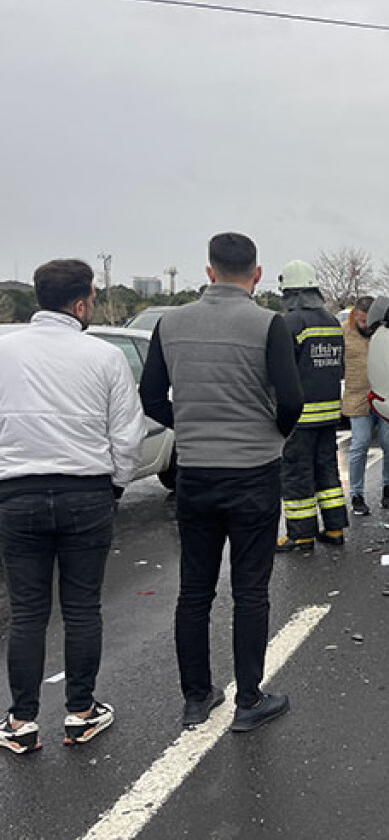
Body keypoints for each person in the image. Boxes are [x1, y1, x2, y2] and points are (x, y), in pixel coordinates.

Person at [140, 233, 303, 732]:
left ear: (209, 272)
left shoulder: (171, 323)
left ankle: (196, 698)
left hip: (196, 473)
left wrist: (188, 423)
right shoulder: (268, 324)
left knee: (195, 589)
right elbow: (291, 400)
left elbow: (150, 397)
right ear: (256, 275)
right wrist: (269, 434)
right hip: (254, 473)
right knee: (251, 589)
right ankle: (249, 700)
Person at [0, 260, 146, 755]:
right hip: (86, 492)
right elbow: (127, 432)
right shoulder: (104, 357)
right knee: (82, 608)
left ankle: (21, 721)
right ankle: (81, 712)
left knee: (27, 612)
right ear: (82, 303)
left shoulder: (2, 350)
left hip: (17, 494)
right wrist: (116, 486)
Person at [275, 260, 348, 552]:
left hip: (301, 416)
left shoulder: (290, 323)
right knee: (327, 471)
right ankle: (334, 529)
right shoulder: (332, 321)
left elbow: (281, 369)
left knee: (297, 474)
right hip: (329, 412)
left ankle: (301, 534)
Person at [343, 296, 389, 516]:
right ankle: (357, 494)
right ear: (354, 315)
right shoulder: (343, 333)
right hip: (357, 397)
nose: (365, 325)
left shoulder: (385, 332)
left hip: (385, 397)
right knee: (360, 443)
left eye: (368, 320)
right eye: (361, 320)